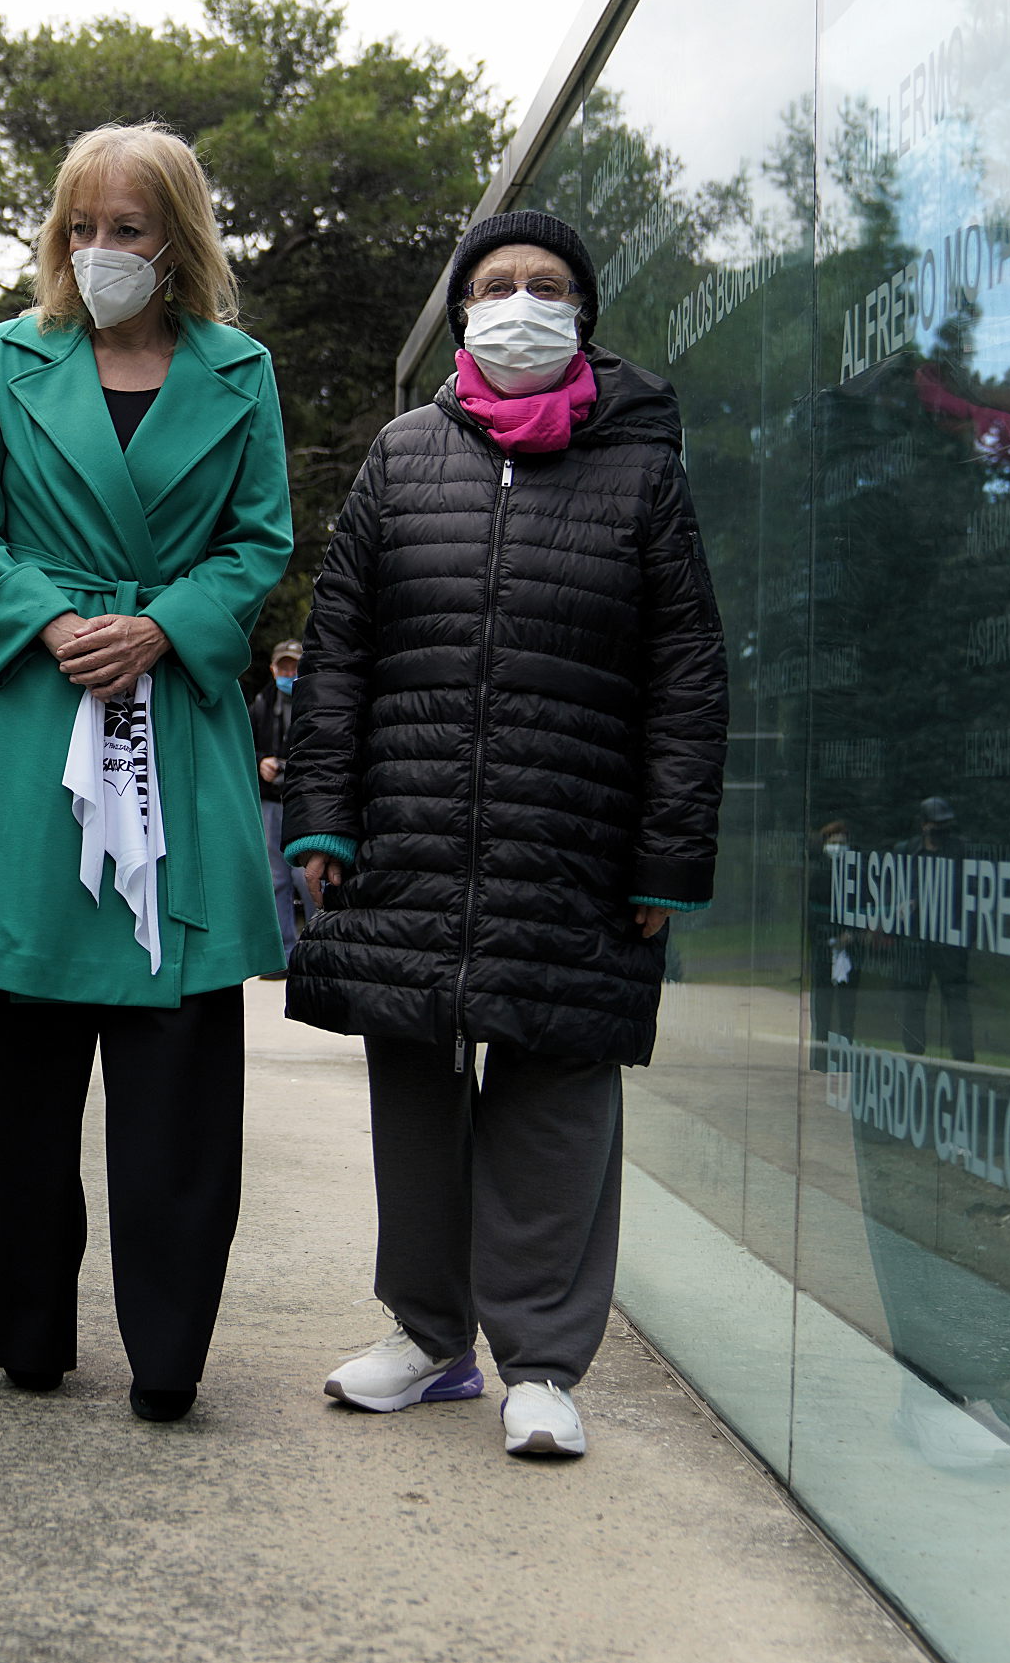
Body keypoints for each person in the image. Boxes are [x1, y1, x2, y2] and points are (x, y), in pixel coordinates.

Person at [283, 209, 728, 1460]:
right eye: (496, 286)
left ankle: (542, 1362)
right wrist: (322, 815)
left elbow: (688, 676)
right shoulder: (400, 455)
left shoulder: (643, 472)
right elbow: (341, 655)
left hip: (574, 838)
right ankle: (429, 1341)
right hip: (409, 831)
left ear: (583, 317)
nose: (520, 303)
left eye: (546, 286)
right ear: (465, 311)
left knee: (555, 1088)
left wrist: (667, 857)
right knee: (414, 1082)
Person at [0, 123, 293, 1423]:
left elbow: (259, 538)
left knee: (180, 1059)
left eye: (130, 227)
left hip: (172, 723)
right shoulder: (9, 360)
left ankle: (170, 1354)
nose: (102, 251)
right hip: (37, 741)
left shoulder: (242, 371)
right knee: (31, 1057)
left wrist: (166, 624)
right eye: (81, 227)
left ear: (179, 239)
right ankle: (31, 1336)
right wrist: (47, 620)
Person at [895, 798, 975, 1062]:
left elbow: (968, 893)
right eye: (935, 824)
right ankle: (914, 1057)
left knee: (956, 1003)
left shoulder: (960, 851)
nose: (941, 830)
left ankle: (964, 1061)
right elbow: (894, 887)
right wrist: (905, 902)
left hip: (949, 942)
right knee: (913, 1003)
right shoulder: (907, 851)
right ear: (923, 825)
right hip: (917, 940)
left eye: (945, 824)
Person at [248, 638, 315, 954]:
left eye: (295, 667)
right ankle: (283, 953)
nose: (290, 673)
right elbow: (242, 746)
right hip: (270, 803)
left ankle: (316, 948)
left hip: (305, 803)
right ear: (273, 669)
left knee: (308, 878)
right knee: (275, 879)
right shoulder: (260, 703)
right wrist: (261, 760)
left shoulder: (318, 702)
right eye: (284, 666)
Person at [808, 822, 860, 1069]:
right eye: (833, 843)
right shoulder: (817, 873)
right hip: (824, 949)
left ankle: (845, 1060)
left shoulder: (855, 875)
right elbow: (812, 912)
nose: (838, 848)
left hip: (849, 949)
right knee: (823, 1009)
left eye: (842, 843)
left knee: (848, 1008)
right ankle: (820, 1061)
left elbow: (862, 908)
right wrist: (829, 939)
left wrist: (852, 934)